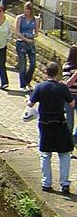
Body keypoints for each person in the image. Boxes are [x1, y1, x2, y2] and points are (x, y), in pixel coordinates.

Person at [27, 62, 76, 194]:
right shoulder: (62, 88)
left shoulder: (40, 87)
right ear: (57, 73)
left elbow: (30, 104)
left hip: (45, 124)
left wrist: (28, 100)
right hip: (60, 123)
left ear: (45, 73)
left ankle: (46, 183)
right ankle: (65, 184)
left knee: (45, 154)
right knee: (65, 154)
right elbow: (72, 104)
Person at [14, 1, 39, 92]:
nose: (27, 11)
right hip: (21, 43)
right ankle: (22, 84)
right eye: (26, 9)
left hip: (30, 43)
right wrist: (26, 38)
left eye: (29, 10)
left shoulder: (35, 19)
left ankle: (27, 81)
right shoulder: (20, 18)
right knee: (23, 64)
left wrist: (32, 36)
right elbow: (17, 32)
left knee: (33, 64)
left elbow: (36, 33)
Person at [63, 46, 77, 138]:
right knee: (69, 121)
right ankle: (67, 141)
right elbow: (67, 83)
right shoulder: (67, 66)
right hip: (70, 96)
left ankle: (74, 138)